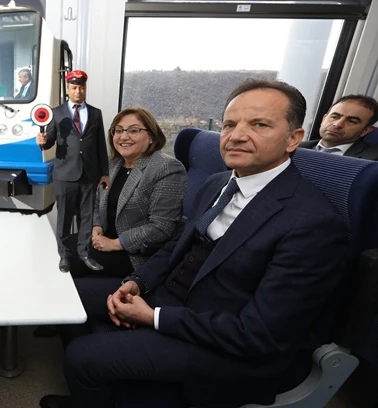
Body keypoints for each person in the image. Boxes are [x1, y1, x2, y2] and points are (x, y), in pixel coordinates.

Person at [39, 79, 350, 408]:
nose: (237, 135)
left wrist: (154, 317)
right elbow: (177, 245)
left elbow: (260, 334)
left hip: (226, 342)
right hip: (173, 296)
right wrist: (137, 281)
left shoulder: (313, 223)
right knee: (69, 298)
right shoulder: (218, 183)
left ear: (293, 138)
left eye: (259, 124)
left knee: (83, 357)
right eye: (230, 124)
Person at [68, 107, 187, 279]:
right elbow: (95, 200)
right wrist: (96, 226)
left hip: (136, 254)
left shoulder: (167, 168)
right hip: (104, 240)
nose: (124, 136)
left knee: (69, 261)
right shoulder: (113, 164)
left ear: (151, 136)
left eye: (133, 130)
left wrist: (115, 243)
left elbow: (161, 227)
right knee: (59, 247)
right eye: (118, 130)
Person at [36, 70, 109, 273]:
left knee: (87, 216)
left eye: (82, 87)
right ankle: (64, 255)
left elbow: (100, 145)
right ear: (68, 89)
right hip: (65, 174)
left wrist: (104, 172)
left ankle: (84, 254)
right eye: (74, 87)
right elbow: (49, 141)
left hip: (89, 173)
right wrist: (42, 142)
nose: (78, 91)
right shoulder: (57, 113)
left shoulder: (95, 113)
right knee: (65, 217)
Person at [300, 94, 378, 160]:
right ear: (324, 119)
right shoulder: (297, 148)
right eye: (334, 117)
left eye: (351, 121)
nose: (337, 124)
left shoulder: (373, 161)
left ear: (366, 130)